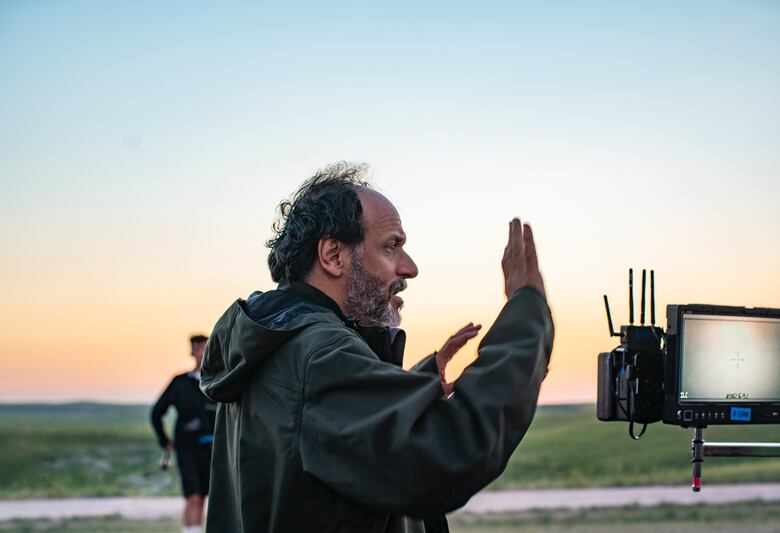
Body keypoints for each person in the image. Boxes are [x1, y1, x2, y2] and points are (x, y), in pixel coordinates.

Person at [200, 162, 554, 533]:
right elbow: (447, 456)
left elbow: (322, 447)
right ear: (333, 256)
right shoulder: (318, 355)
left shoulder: (275, 339)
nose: (409, 267)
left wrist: (420, 383)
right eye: (391, 247)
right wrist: (526, 315)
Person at [151, 334, 216, 533]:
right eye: (199, 349)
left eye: (206, 348)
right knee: (192, 495)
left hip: (213, 447)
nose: (202, 353)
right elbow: (156, 412)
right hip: (187, 446)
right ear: (192, 352)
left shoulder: (217, 382)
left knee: (204, 496)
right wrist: (164, 440)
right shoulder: (180, 383)